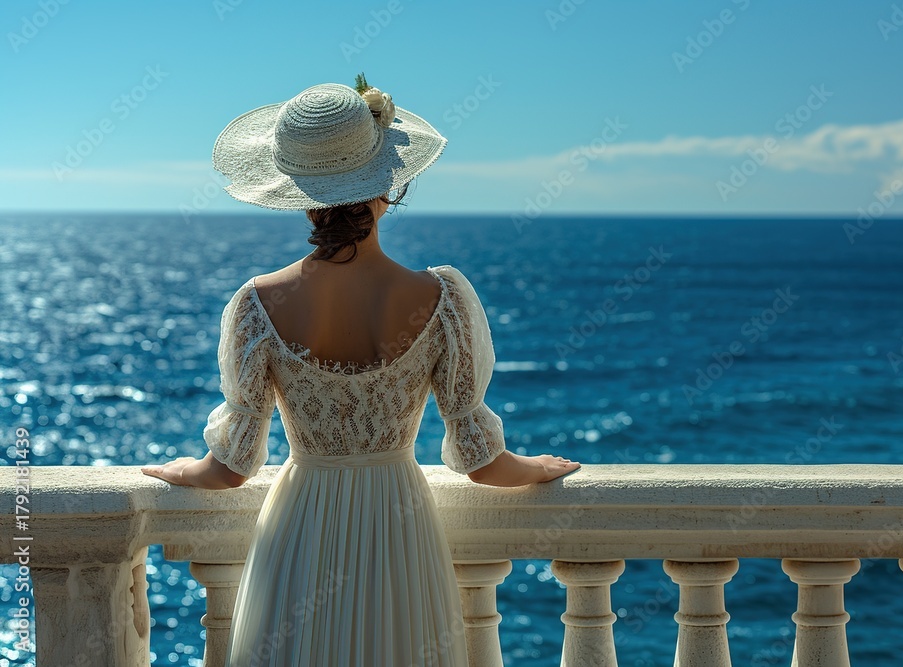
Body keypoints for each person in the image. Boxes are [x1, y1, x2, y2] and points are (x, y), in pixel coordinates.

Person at [140, 78, 581, 665]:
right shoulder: (441, 299)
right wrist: (539, 468)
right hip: (398, 529)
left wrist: (180, 471)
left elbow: (231, 469)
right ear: (386, 188)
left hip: (300, 530)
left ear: (301, 194)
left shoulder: (257, 304)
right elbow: (482, 463)